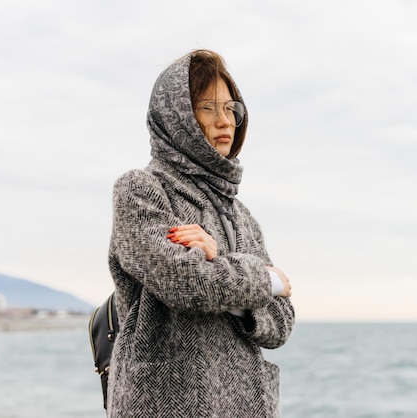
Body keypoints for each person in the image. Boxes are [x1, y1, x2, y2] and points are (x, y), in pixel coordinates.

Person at [107, 49, 295, 417]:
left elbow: (281, 324)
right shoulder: (140, 189)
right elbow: (184, 282)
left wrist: (222, 265)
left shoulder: (241, 215)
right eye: (208, 107)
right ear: (176, 116)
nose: (226, 121)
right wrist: (265, 280)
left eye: (231, 109)